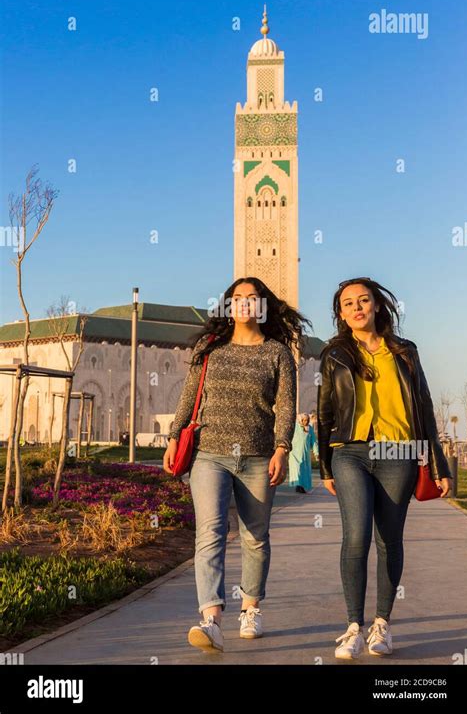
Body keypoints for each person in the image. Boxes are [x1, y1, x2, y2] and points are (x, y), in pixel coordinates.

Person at [164, 276, 311, 652]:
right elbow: (188, 395)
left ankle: (251, 609)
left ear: (263, 306)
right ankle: (211, 620)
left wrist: (282, 448)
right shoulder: (210, 347)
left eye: (252, 297)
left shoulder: (277, 352)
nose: (244, 303)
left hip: (259, 456)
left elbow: (286, 406)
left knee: (254, 537)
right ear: (229, 306)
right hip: (209, 455)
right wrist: (173, 435)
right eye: (237, 298)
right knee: (210, 532)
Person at [317, 277, 452, 660]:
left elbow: (424, 406)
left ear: (377, 306)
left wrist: (438, 463)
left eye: (364, 300)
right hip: (351, 453)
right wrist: (325, 465)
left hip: (399, 452)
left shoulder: (405, 352)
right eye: (348, 304)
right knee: (356, 537)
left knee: (388, 540)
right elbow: (325, 412)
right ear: (341, 314)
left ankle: (382, 625)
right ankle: (353, 627)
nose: (357, 307)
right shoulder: (335, 354)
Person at [288, 413, 315, 493]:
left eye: (307, 420)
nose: (306, 422)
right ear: (301, 420)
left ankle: (302, 486)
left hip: (305, 454)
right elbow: (288, 437)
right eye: (304, 420)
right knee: (297, 469)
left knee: (304, 471)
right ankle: (298, 486)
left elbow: (313, 441)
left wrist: (316, 452)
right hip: (294, 453)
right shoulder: (294, 427)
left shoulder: (309, 429)